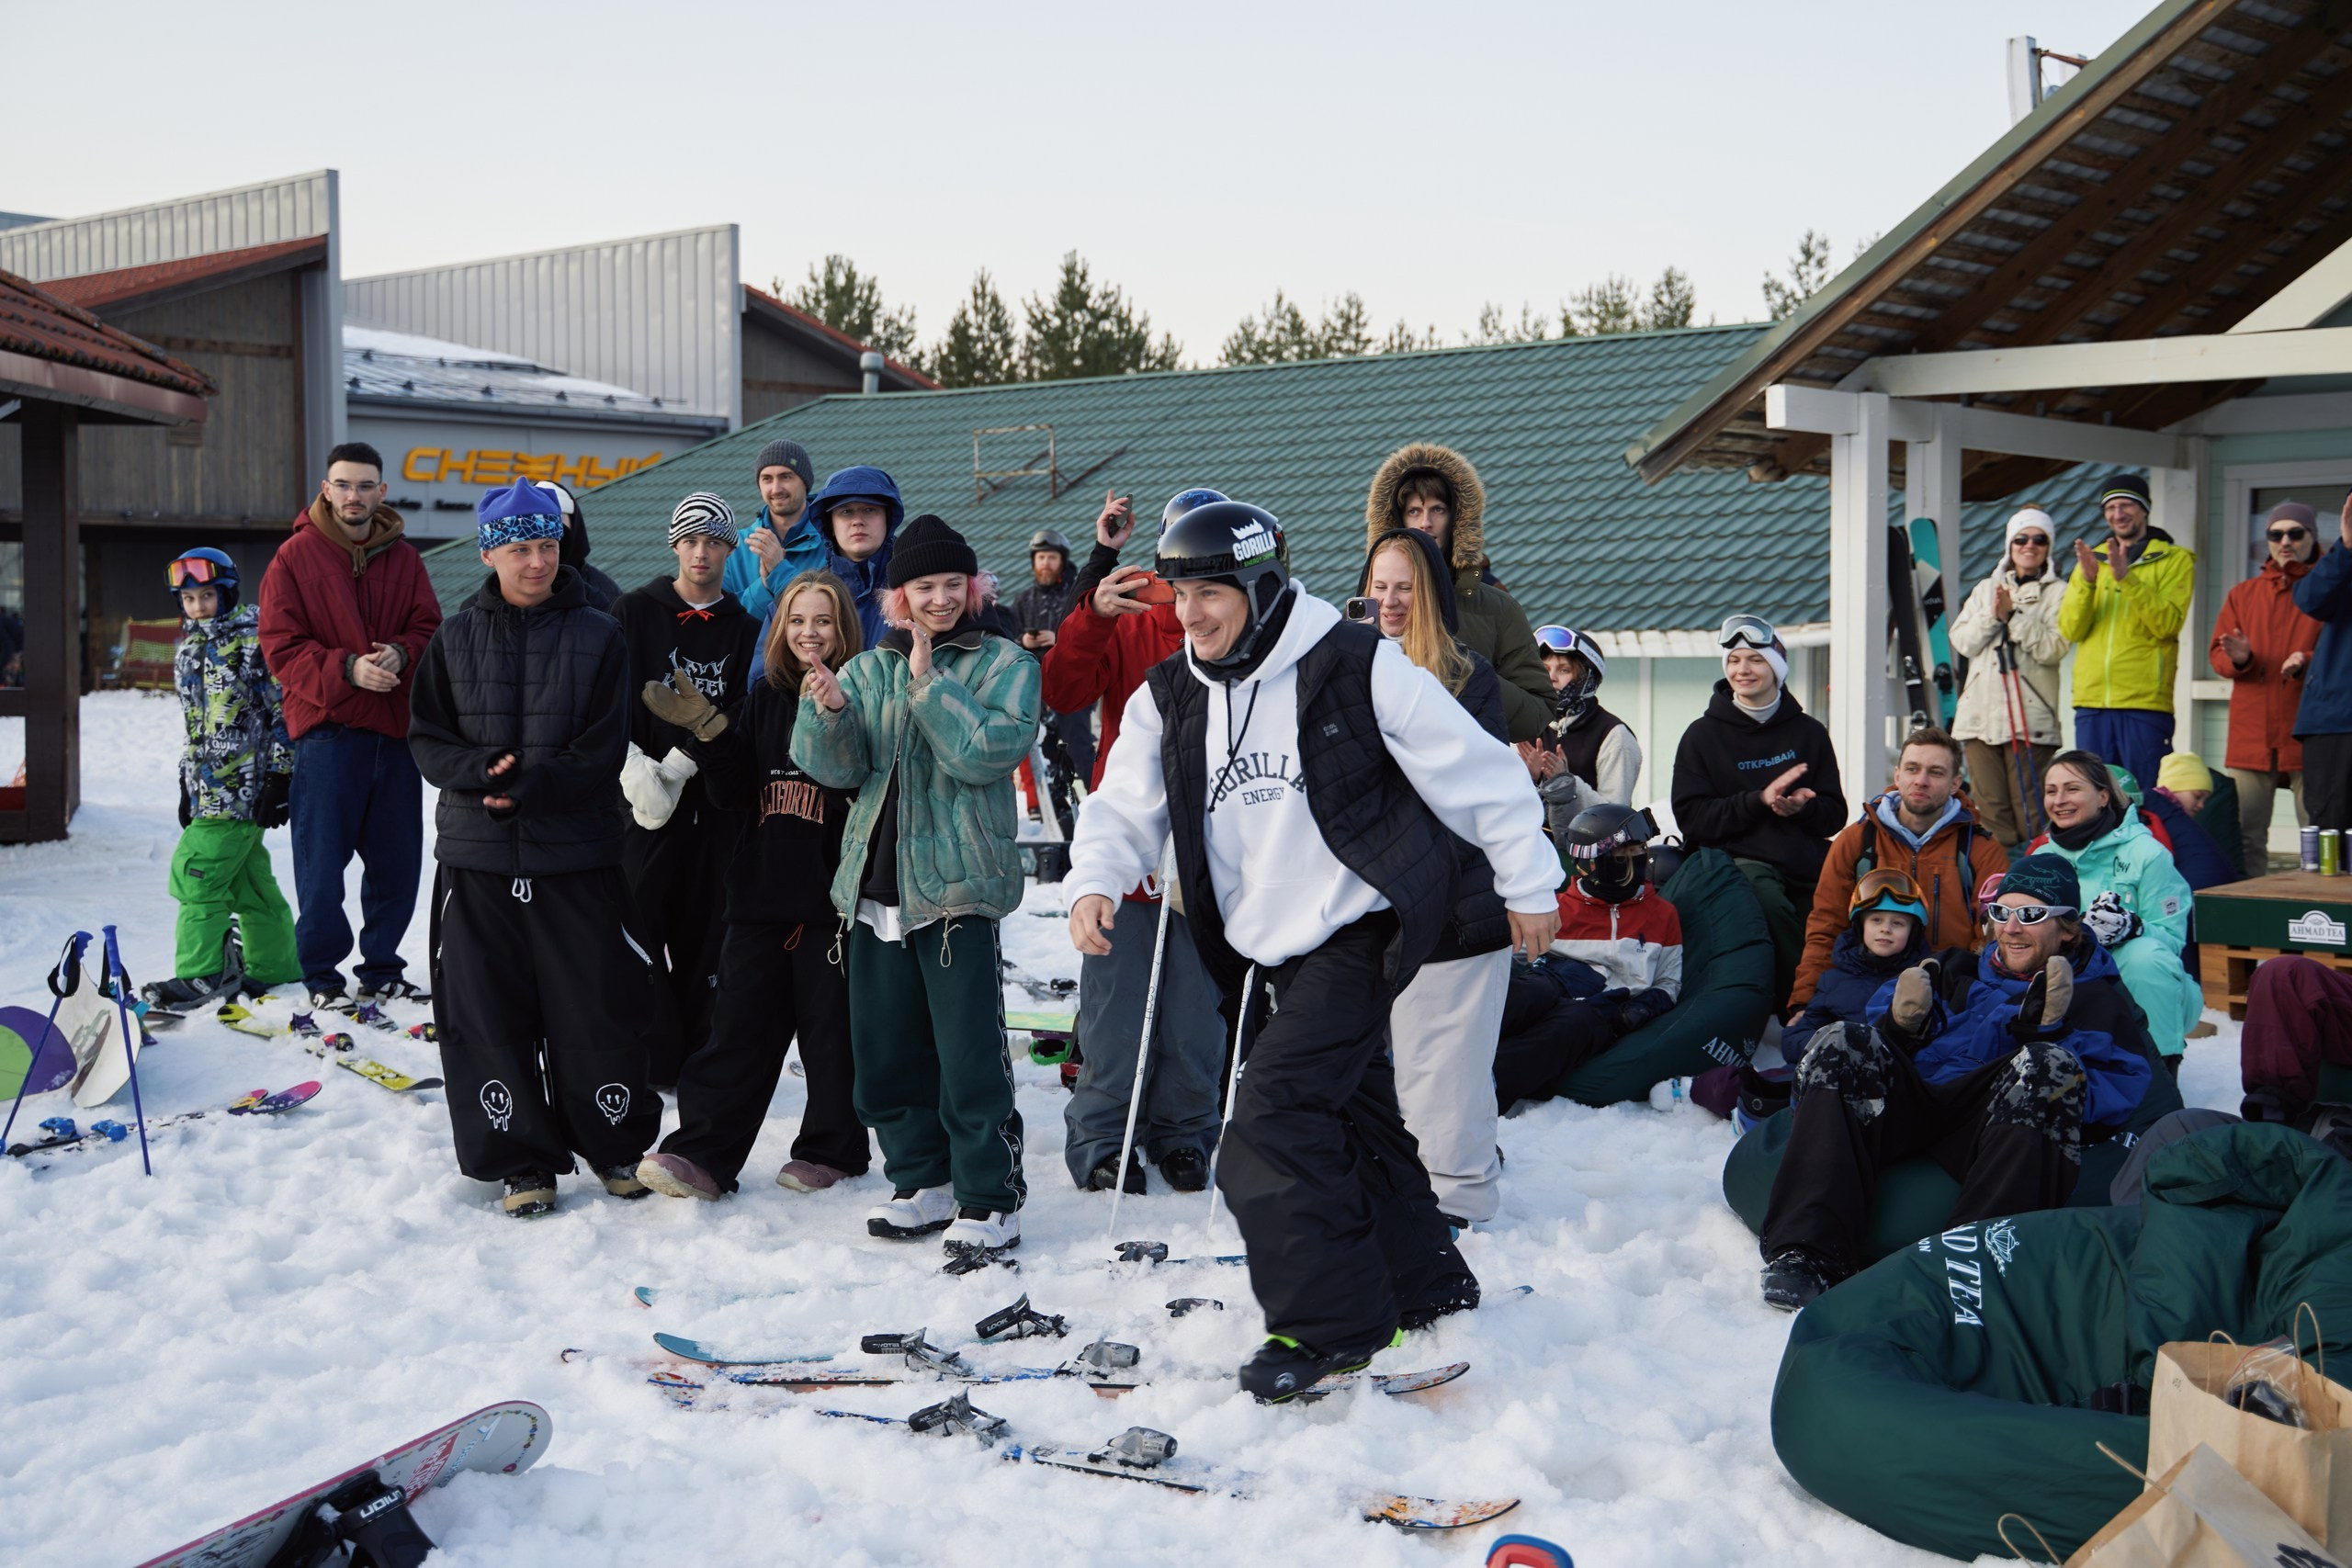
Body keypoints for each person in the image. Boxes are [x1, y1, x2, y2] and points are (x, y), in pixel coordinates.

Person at [1064, 498, 1561, 1400]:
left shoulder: (1353, 666)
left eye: (1209, 595)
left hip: (1359, 925)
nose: (1191, 616)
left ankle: (1331, 1320)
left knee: (1270, 1125)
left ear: (1258, 587)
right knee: (1354, 1108)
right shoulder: (1172, 694)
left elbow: (1479, 768)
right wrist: (1095, 879)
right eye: (1180, 597)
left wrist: (1528, 884)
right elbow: (1119, 802)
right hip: (1259, 941)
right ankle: (1426, 1279)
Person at [406, 479, 665, 1218]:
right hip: (477, 858)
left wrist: (535, 786)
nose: (537, 561)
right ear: (490, 551)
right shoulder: (453, 637)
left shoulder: (599, 632)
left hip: (576, 854)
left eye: (547, 545)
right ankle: (522, 1160)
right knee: (489, 1013)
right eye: (520, 547)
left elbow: (604, 743)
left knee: (594, 1009)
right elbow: (428, 736)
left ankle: (613, 1144)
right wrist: (475, 774)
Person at [791, 514, 1041, 1256]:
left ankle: (991, 1197)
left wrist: (930, 685)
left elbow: (984, 753)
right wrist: (830, 713)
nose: (939, 599)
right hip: (875, 891)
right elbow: (836, 770)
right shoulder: (871, 667)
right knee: (887, 1053)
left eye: (952, 584)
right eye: (924, 586)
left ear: (974, 586)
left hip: (958, 891)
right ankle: (921, 1179)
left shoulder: (1004, 663)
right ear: (900, 595)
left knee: (967, 1055)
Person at [1757, 856, 2162, 1310]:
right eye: (2001, 912)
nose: (2011, 927)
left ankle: (1968, 1268)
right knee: (1841, 1039)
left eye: (2030, 915)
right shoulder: (1951, 968)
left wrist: (2044, 1038)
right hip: (1915, 1105)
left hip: (1993, 1127)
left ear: (2067, 928)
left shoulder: (2096, 998)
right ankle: (1808, 1254)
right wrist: (1901, 1028)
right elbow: (1882, 1026)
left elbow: (2118, 1089)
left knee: (2047, 1066)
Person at [636, 571, 865, 1200]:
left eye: (822, 620)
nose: (809, 633)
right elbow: (734, 793)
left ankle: (832, 1149)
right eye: (796, 620)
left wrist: (839, 710)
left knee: (830, 1041)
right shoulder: (763, 700)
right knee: (733, 1032)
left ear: (844, 628)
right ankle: (703, 1152)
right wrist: (711, 733)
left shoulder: (864, 698)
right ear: (779, 630)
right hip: (760, 896)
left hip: (830, 905)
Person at [1042, 489, 1227, 1195]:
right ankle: (1103, 1138)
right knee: (1116, 1003)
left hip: (1210, 840)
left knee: (1194, 1010)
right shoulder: (1130, 611)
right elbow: (1062, 689)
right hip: (1130, 832)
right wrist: (1090, 613)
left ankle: (1184, 1132)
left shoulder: (1242, 626)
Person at [1358, 526, 1514, 1226]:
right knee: (1404, 1068)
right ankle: (1413, 1185)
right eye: (1379, 586)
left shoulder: (1464, 675)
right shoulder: (1345, 664)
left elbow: (1469, 794)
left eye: (1405, 589)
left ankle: (1460, 1207)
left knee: (1445, 1072)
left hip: (1454, 899)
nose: (1390, 602)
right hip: (1373, 899)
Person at [256, 440, 443, 1010]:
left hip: (393, 735)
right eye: (343, 484)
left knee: (396, 865)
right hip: (328, 735)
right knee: (321, 869)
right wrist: (347, 668)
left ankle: (383, 968)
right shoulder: (294, 558)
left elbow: (430, 628)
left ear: (381, 492)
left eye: (365, 485)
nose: (354, 495)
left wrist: (403, 655)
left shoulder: (406, 560)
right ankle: (322, 979)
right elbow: (280, 649)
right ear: (326, 489)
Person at [613, 494, 760, 1079]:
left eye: (714, 540)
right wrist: (633, 767)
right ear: (675, 544)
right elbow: (613, 696)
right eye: (691, 540)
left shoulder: (747, 628)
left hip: (712, 805)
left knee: (709, 934)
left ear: (729, 547)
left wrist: (685, 761)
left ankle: (702, 1054)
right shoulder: (633, 610)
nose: (702, 552)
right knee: (640, 926)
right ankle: (652, 1055)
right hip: (643, 803)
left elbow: (743, 710)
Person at [141, 547, 300, 1009]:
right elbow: (194, 725)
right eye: (188, 599)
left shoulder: (255, 640)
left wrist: (280, 778)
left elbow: (283, 712)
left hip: (242, 788)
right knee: (250, 882)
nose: (197, 607)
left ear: (226, 593)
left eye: (207, 595)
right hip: (208, 790)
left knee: (197, 878)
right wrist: (185, 783)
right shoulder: (190, 649)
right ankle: (275, 967)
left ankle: (202, 975)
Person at [1670, 615, 1848, 1013]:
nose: (1742, 669)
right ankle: (1795, 1010)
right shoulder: (1702, 736)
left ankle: (1840, 1007)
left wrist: (1804, 807)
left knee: (1834, 913)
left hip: (1802, 860)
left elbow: (1835, 816)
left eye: (1755, 659)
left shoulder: (1809, 732)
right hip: (1736, 860)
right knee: (1767, 900)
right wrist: (1757, 800)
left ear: (1777, 667)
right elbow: (1692, 819)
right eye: (1734, 660)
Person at [1789, 728, 2007, 1016]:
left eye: (1936, 772)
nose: (1921, 781)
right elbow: (1826, 926)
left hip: (1949, 997)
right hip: (1864, 992)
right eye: (1912, 769)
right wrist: (1804, 1003)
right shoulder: (1858, 840)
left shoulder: (1980, 848)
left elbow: (1995, 936)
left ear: (1956, 783)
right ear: (1897, 775)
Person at [1493, 802, 1685, 1110]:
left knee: (1574, 1022)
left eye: (1639, 852)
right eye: (1623, 855)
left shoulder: (1662, 914)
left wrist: (1641, 1008)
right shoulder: (1554, 908)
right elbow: (1510, 959)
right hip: (1554, 978)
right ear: (1594, 864)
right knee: (1528, 994)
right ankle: (1441, 1061)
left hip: (1609, 1004)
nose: (1635, 861)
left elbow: (1668, 982)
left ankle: (1483, 1087)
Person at [1362, 443, 1554, 739]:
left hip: (1467, 773)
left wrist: (1467, 673)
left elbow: (1538, 714)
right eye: (1414, 511)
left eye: (1437, 509)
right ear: (1396, 520)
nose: (1425, 523)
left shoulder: (1495, 607)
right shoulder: (1371, 607)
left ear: (1458, 517)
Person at [2027, 750, 2203, 1068]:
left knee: (2145, 957)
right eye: (2052, 791)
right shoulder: (2040, 858)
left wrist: (2132, 927)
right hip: (2065, 976)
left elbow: (2172, 941)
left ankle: (2162, 1068)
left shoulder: (2147, 854)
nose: (2060, 800)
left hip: (2137, 982)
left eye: (2073, 789)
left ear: (2103, 796)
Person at [2058, 474, 2196, 792]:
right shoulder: (2091, 561)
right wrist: (2090, 583)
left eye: (2126, 505)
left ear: (2145, 509)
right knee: (2091, 797)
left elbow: (2167, 624)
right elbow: (2070, 629)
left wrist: (2127, 579)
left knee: (2141, 796)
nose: (2117, 514)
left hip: (2144, 704)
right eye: (2110, 507)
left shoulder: (2176, 560)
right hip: (2092, 703)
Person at [2210, 501, 2324, 875]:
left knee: (2320, 833)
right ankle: (2249, 919)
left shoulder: (2330, 588)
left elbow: (2342, 649)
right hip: (2252, 732)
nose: (2285, 541)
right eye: (2276, 534)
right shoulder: (2243, 594)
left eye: (2296, 533)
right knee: (2246, 834)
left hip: (2311, 728)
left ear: (2312, 536)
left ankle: (2318, 913)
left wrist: (2307, 658)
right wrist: (2242, 659)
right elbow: (2218, 656)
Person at [1950, 508, 2066, 848]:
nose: (2029, 545)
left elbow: (2053, 649)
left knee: (2033, 815)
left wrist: (2013, 616)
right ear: (2009, 544)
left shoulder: (2058, 592)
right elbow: (1962, 641)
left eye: (2039, 539)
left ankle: (2038, 883)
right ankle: (2000, 890)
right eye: (2021, 538)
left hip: (2032, 721)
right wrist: (1993, 617)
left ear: (2048, 546)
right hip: (1979, 721)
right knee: (1990, 815)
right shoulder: (1986, 588)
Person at [1782, 868, 1928, 1061]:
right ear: (1861, 927)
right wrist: (1837, 1045)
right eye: (1876, 920)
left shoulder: (1923, 982)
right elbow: (1794, 1042)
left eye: (1898, 923)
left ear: (1913, 933)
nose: (1885, 929)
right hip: (1838, 1077)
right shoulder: (1832, 981)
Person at [1521, 625, 1639, 840]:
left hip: (1589, 858)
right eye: (1544, 669)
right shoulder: (1527, 725)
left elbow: (1616, 816)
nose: (1551, 678)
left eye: (1564, 670)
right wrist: (1530, 778)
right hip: (1532, 852)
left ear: (1587, 679)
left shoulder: (1614, 736)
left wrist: (1567, 783)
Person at [1010, 527, 1096, 818]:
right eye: (1041, 558)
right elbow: (1007, 643)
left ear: (1062, 561)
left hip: (1073, 690)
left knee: (1078, 750)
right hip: (1034, 690)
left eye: (1051, 558)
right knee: (1042, 755)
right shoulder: (1023, 601)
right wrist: (1024, 640)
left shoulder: (1075, 596)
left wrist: (1058, 638)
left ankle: (1094, 807)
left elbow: (1090, 637)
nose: (1045, 564)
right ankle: (1051, 814)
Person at [723, 439, 828, 626]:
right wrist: (763, 587)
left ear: (805, 482)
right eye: (767, 479)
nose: (776, 488)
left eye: (786, 477)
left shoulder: (831, 542)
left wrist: (778, 571)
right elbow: (725, 620)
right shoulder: (734, 546)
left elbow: (829, 614)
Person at [2295, 494, 2352, 834]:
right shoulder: (2343, 559)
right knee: (2331, 830)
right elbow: (2309, 600)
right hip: (2335, 720)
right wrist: (2345, 547)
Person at [808, 466, 905, 649]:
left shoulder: (917, 587)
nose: (858, 521)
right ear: (830, 526)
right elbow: (768, 671)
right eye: (846, 512)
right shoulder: (805, 593)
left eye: (870, 510)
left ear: (888, 518)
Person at [533, 480, 620, 612]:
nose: (550, 527)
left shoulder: (602, 589)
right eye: (539, 520)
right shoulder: (512, 583)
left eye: (558, 518)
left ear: (574, 522)